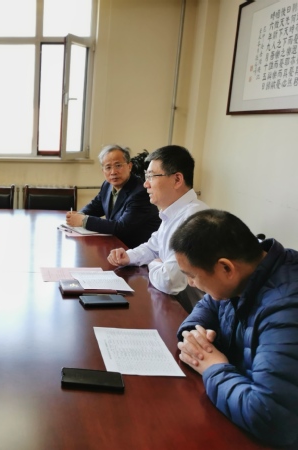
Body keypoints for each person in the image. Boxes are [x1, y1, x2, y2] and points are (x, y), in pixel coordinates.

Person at [172, 210, 298, 447]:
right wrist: (194, 333)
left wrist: (213, 367)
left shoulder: (285, 310)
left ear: (226, 269)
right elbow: (210, 303)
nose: (191, 283)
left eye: (192, 276)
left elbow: (270, 415)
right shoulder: (250, 267)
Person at [106, 144, 208, 312]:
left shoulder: (194, 218)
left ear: (177, 180)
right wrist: (128, 256)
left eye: (152, 176)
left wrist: (153, 264)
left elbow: (169, 281)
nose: (146, 184)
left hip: (189, 312)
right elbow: (153, 247)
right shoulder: (173, 212)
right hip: (173, 304)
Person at [65, 144, 160, 248]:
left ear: (129, 166)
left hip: (138, 250)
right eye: (108, 167)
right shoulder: (107, 185)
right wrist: (79, 215)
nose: (113, 172)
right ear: (103, 171)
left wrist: (83, 220)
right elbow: (95, 206)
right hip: (116, 245)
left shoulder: (140, 192)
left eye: (118, 165)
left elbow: (121, 228)